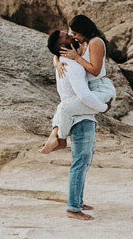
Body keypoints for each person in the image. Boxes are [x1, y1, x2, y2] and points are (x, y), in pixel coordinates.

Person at [41, 30, 106, 219]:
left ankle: (77, 201)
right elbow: (83, 95)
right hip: (80, 117)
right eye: (68, 37)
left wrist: (57, 59)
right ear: (64, 47)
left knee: (83, 161)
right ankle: (73, 208)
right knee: (80, 162)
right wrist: (102, 108)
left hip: (79, 115)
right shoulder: (72, 66)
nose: (73, 37)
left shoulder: (64, 62)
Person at [39, 16, 116, 155]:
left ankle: (60, 139)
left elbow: (95, 70)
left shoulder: (95, 42)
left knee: (65, 108)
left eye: (75, 34)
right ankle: (54, 137)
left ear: (83, 31)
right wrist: (57, 63)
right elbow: (58, 51)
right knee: (62, 106)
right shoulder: (82, 44)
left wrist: (77, 58)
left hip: (101, 87)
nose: (73, 37)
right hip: (91, 88)